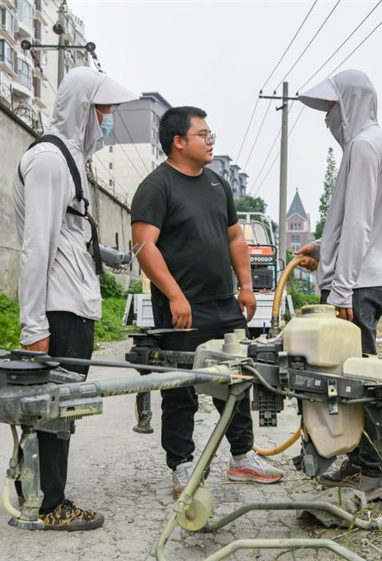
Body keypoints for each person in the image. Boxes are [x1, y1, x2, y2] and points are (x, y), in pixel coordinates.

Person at [130, 106, 283, 494]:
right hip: (181, 309)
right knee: (180, 387)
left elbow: (235, 237)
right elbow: (145, 247)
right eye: (203, 134)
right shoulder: (157, 186)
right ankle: (182, 466)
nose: (211, 140)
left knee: (235, 380)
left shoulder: (217, 184)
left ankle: (242, 457)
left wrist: (246, 286)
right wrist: (176, 297)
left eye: (211, 134)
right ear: (179, 142)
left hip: (223, 304)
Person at [13, 67, 137, 529]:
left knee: (60, 408)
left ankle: (38, 492)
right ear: (83, 109)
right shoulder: (49, 159)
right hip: (58, 310)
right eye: (102, 111)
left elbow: (71, 235)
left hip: (74, 306)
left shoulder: (70, 161)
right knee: (55, 407)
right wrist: (34, 327)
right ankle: (49, 505)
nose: (105, 121)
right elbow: (35, 246)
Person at [295, 69, 382, 500]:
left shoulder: (362, 146)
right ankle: (361, 463)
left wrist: (339, 290)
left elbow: (359, 226)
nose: (326, 119)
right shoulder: (376, 143)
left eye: (330, 109)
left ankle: (375, 473)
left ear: (350, 105)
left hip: (355, 286)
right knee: (352, 378)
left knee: (359, 381)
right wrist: (324, 249)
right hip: (363, 278)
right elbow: (357, 223)